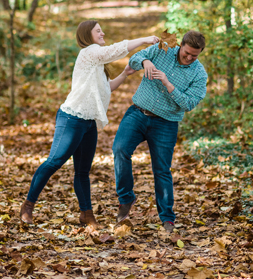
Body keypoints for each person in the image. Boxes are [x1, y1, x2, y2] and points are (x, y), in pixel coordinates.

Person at [19, 21, 159, 226]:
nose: (103, 32)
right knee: (54, 162)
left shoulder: (97, 62)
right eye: (98, 30)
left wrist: (124, 74)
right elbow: (115, 50)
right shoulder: (89, 52)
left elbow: (106, 88)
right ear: (87, 35)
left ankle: (86, 215)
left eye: (102, 29)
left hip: (88, 122)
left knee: (83, 171)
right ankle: (28, 206)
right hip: (72, 118)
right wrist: (144, 39)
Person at [112, 30, 208, 234]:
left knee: (162, 170)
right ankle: (126, 199)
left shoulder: (199, 74)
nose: (189, 58)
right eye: (187, 53)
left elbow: (189, 103)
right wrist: (145, 61)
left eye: (195, 55)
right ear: (181, 45)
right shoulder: (163, 49)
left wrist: (168, 83)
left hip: (166, 123)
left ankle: (167, 218)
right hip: (138, 113)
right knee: (120, 149)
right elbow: (135, 58)